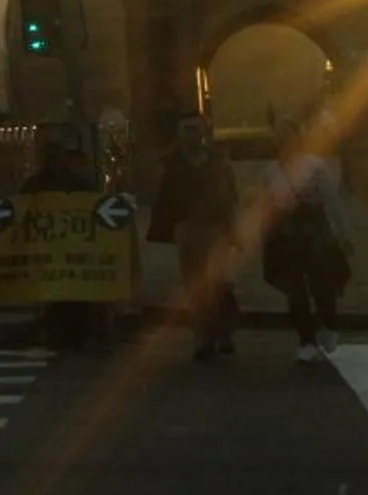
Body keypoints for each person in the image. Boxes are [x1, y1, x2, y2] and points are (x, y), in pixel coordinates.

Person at [260, 119, 353, 363]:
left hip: (315, 232)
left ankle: (329, 325)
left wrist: (342, 232)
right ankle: (306, 340)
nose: (285, 141)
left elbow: (331, 199)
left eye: (289, 136)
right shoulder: (271, 171)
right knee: (295, 291)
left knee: (322, 285)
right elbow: (268, 206)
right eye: (280, 137)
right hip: (286, 234)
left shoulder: (314, 165)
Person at [149, 114, 239, 360]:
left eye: (194, 129)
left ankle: (223, 333)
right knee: (195, 285)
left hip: (215, 225)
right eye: (185, 129)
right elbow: (164, 197)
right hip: (187, 226)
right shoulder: (173, 163)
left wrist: (232, 229)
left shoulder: (218, 160)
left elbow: (230, 196)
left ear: (203, 132)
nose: (190, 134)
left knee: (220, 284)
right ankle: (203, 337)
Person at [25, 126, 102, 351]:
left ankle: (71, 333)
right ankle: (63, 333)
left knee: (69, 293)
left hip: (70, 247)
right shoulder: (37, 184)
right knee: (58, 294)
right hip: (50, 248)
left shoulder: (75, 183)